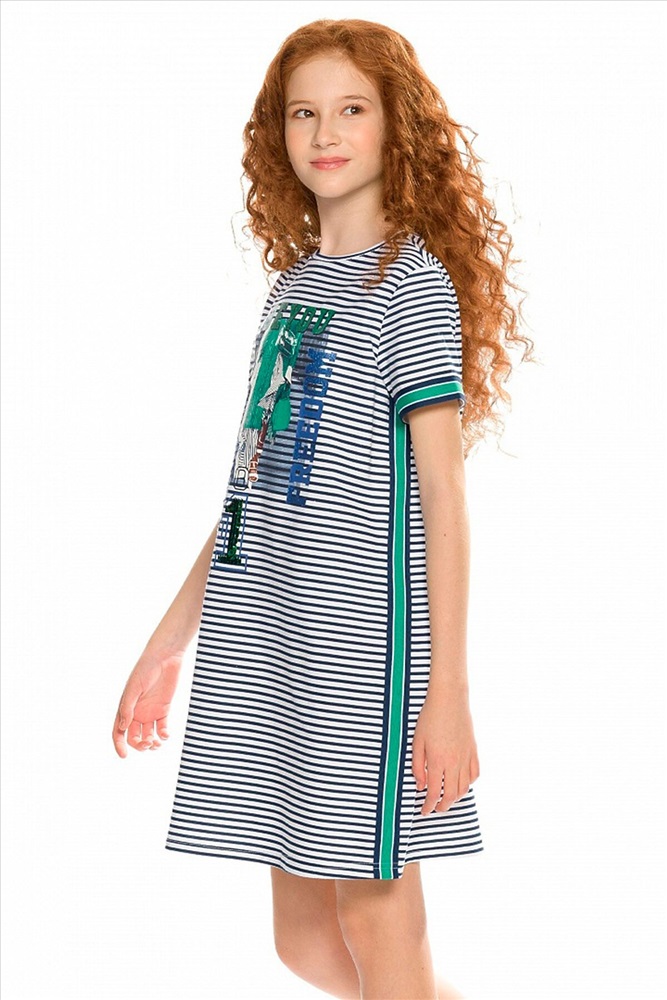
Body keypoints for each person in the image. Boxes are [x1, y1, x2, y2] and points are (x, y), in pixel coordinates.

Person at [112, 18, 533, 1000]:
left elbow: (444, 492)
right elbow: (256, 485)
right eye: (304, 113)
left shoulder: (408, 287)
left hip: (363, 652)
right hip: (273, 640)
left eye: (351, 109)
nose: (326, 132)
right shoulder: (295, 289)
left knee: (377, 920)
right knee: (302, 941)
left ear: (397, 129)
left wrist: (447, 691)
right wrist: (169, 642)